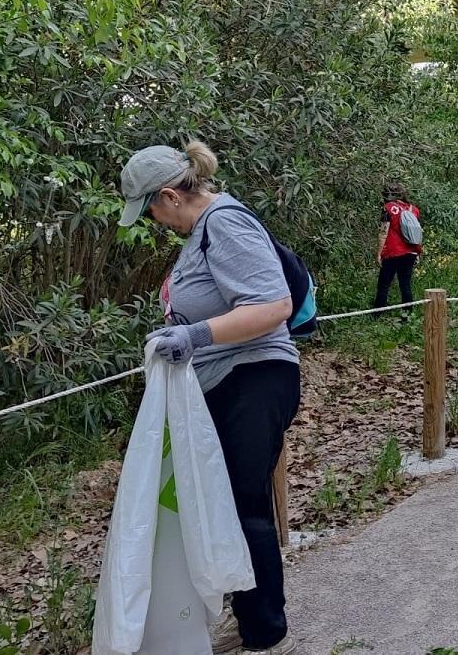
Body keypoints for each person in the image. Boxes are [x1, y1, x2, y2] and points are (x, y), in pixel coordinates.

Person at [118, 141, 297, 655]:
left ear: (171, 196)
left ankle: (266, 631)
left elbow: (272, 305)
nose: (154, 221)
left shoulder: (224, 224)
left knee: (244, 505)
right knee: (225, 503)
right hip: (226, 380)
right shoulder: (201, 233)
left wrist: (194, 337)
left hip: (257, 375)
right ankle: (248, 617)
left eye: (151, 210)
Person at [375, 182, 422, 311]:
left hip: (392, 252)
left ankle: (377, 313)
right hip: (411, 252)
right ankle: (408, 314)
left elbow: (383, 232)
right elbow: (416, 232)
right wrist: (417, 252)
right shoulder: (413, 209)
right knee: (405, 284)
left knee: (384, 284)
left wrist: (379, 253)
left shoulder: (388, 208)